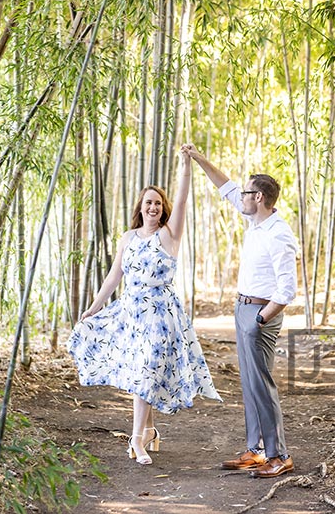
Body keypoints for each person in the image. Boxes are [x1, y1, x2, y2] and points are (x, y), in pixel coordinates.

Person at [68, 151, 221, 465]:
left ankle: (136, 440)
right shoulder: (128, 238)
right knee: (143, 374)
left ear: (163, 210)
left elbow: (181, 202)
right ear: (140, 206)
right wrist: (95, 306)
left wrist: (185, 167)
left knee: (145, 372)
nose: (153, 207)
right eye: (148, 202)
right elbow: (115, 275)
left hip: (160, 316)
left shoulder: (168, 236)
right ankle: (149, 431)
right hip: (130, 315)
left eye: (158, 203)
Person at [182, 144, 298, 479]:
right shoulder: (255, 223)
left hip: (261, 314)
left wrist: (260, 320)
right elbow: (226, 185)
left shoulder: (278, 234)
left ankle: (279, 455)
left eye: (247, 193)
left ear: (258, 198)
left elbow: (287, 289)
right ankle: (257, 449)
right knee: (250, 384)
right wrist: (200, 158)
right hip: (244, 307)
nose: (241, 197)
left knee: (262, 385)